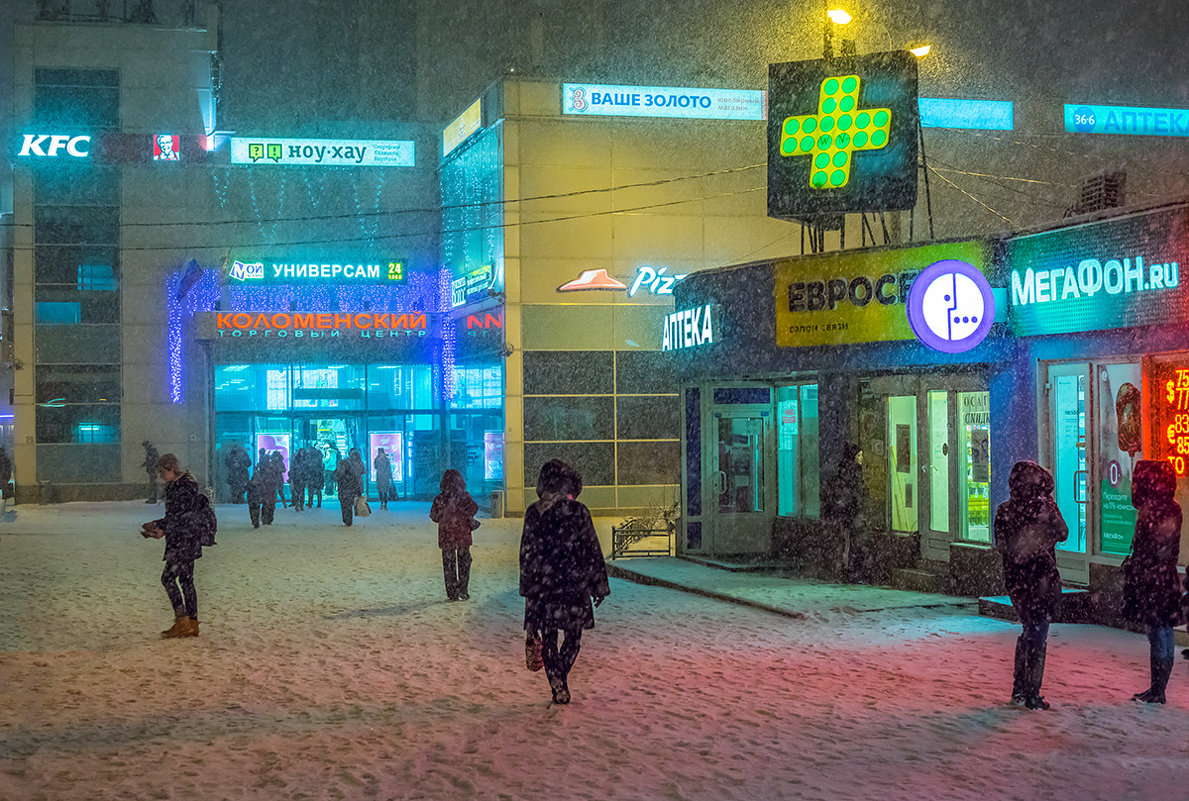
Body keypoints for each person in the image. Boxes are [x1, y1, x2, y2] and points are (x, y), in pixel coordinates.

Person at [519, 459, 610, 704]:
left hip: (543, 586)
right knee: (573, 638)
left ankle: (556, 680)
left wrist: (528, 588)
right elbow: (592, 549)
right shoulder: (578, 511)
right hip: (574, 584)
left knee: (548, 637)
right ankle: (561, 676)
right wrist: (598, 584)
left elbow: (526, 553)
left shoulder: (534, 513)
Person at [993, 461, 1069, 710]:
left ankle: (1021, 687)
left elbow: (1003, 546)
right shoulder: (1043, 510)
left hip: (1018, 581)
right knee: (1037, 633)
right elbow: (1063, 533)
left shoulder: (1007, 511)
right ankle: (1030, 691)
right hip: (1039, 580)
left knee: (1030, 631)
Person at [1122, 460, 1183, 704]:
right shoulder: (1172, 508)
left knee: (1158, 631)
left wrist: (1140, 571)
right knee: (1163, 630)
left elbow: (1147, 548)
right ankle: (1158, 687)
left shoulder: (1153, 511)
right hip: (1164, 577)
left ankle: (1158, 689)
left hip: (1153, 579)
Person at [142, 454, 205, 638]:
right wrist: (160, 527)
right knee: (186, 580)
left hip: (182, 541)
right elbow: (179, 517)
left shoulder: (182, 488)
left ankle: (182, 621)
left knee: (168, 578)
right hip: (187, 539)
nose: (161, 476)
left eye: (162, 472)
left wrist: (161, 526)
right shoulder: (183, 485)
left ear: (171, 469)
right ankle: (192, 623)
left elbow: (179, 516)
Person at [431, 469, 479, 601]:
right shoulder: (464, 497)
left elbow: (434, 516)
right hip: (462, 535)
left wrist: (445, 517)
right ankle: (463, 589)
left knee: (449, 564)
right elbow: (474, 508)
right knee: (464, 562)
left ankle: (452, 591)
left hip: (446, 536)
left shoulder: (439, 498)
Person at [823, 443, 864, 577]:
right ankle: (846, 568)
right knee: (848, 541)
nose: (861, 458)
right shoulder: (850, 473)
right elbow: (849, 493)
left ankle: (845, 567)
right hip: (847, 512)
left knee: (847, 541)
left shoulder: (847, 471)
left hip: (847, 512)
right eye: (859, 455)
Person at [332, 451, 364, 527]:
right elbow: (363, 471)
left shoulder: (345, 463)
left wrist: (336, 477)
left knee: (345, 504)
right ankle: (348, 520)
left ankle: (347, 520)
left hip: (345, 487)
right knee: (349, 504)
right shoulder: (358, 463)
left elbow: (338, 475)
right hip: (352, 487)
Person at [248, 453, 279, 527]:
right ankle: (264, 520)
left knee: (267, 505)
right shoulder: (262, 473)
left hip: (266, 491)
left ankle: (263, 520)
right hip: (265, 492)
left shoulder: (261, 473)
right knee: (267, 505)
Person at [289, 447, 307, 512]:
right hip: (297, 478)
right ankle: (297, 504)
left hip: (302, 478)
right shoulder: (296, 459)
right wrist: (291, 478)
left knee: (302, 492)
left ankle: (301, 504)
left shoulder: (305, 459)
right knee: (297, 492)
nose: (302, 453)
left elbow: (307, 469)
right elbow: (292, 469)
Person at [0, 445, 12, 513]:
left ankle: (2, 507)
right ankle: (3, 506)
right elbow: (8, 468)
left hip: (3, 476)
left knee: (4, 489)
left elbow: (6, 468)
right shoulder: (5, 458)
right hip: (4, 476)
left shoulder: (4, 458)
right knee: (4, 490)